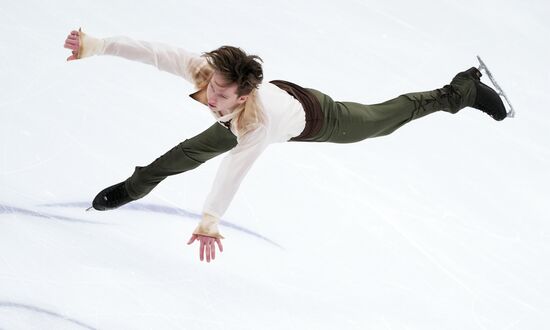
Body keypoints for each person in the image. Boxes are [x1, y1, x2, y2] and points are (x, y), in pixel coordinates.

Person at [63, 28, 507, 263]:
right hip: (272, 100)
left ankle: (461, 92)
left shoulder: (256, 125)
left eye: (221, 93)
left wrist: (210, 219)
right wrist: (97, 45)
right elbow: (155, 53)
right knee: (182, 155)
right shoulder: (210, 77)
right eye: (213, 87)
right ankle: (131, 189)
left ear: (242, 95)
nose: (211, 97)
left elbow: (234, 169)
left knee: (380, 121)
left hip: (318, 117)